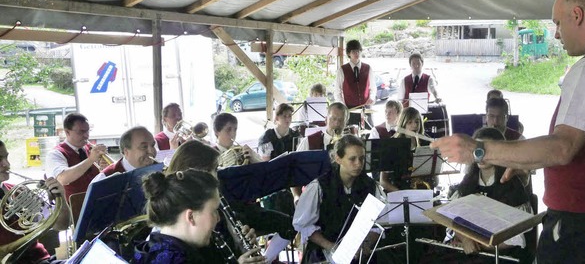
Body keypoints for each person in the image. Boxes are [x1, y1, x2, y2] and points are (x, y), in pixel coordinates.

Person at [431, 0, 585, 262]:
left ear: (577, 15)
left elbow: (562, 147)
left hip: (582, 229)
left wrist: (478, 149)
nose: (555, 34)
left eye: (557, 23)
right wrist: (529, 158)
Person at [166, 140, 292, 263]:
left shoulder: (211, 206)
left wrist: (239, 244)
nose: (217, 177)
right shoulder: (176, 232)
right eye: (214, 170)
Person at [133, 169, 265, 264]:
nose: (218, 218)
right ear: (190, 217)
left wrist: (238, 247)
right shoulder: (171, 259)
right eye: (214, 211)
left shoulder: (187, 245)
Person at [292, 135, 386, 263]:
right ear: (338, 158)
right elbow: (304, 225)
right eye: (352, 159)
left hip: (359, 255)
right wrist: (332, 247)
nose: (358, 164)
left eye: (362, 158)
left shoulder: (371, 186)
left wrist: (366, 243)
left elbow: (379, 223)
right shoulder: (319, 186)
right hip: (324, 253)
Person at [446, 128, 533, 263]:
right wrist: (465, 239)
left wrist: (481, 246)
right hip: (470, 250)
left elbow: (517, 237)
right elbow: (454, 221)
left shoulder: (513, 186)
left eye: (486, 150)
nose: (480, 155)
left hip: (500, 254)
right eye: (477, 149)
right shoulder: (467, 183)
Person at [1, 140, 71, 264]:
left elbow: (61, 225)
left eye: (6, 157)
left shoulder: (16, 191)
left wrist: (60, 198)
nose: (7, 164)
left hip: (41, 260)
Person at [46, 113, 106, 200]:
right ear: (67, 132)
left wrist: (105, 167)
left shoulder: (90, 149)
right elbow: (62, 179)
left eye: (87, 131)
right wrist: (91, 160)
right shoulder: (55, 154)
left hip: (96, 200)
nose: (86, 135)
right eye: (81, 132)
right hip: (73, 207)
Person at [380, 107, 428, 192]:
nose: (414, 125)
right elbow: (383, 181)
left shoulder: (426, 143)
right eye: (410, 122)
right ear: (403, 124)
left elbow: (434, 177)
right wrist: (401, 194)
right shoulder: (392, 145)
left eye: (417, 122)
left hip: (421, 190)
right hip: (398, 191)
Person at [334, 40, 376, 128]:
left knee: (369, 136)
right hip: (350, 111)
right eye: (353, 51)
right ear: (349, 53)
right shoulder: (342, 70)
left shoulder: (368, 68)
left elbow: (373, 88)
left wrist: (371, 97)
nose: (356, 53)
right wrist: (343, 107)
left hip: (366, 110)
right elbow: (337, 92)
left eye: (358, 51)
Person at [93, 126, 157, 182]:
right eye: (144, 147)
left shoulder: (161, 170)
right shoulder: (104, 179)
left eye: (153, 145)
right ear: (126, 152)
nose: (151, 151)